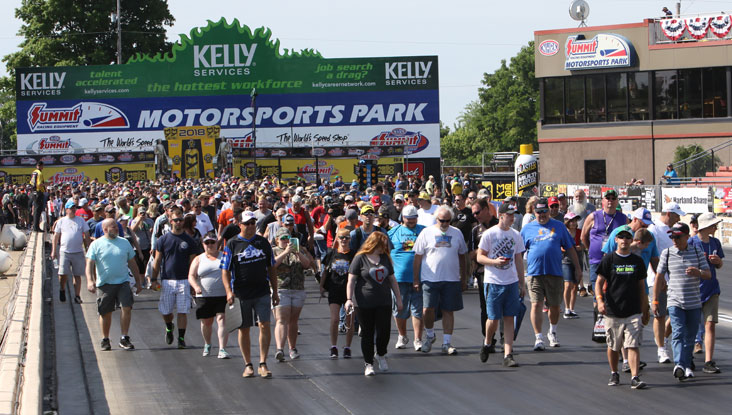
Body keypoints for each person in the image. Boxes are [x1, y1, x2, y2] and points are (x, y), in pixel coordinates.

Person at [220, 211, 279, 378]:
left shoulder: (263, 243)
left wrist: (274, 291)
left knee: (264, 324)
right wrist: (228, 292)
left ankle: (263, 363)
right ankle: (248, 364)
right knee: (244, 328)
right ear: (240, 225)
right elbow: (225, 271)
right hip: (241, 292)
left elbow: (271, 268)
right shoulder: (232, 244)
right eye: (247, 223)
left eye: (253, 223)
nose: (251, 226)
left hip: (262, 291)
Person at [521, 198, 582, 351]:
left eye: (544, 211)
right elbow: (518, 252)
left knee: (554, 306)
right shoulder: (527, 229)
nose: (542, 215)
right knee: (536, 304)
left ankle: (552, 332)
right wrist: (517, 273)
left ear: (549, 211)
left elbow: (570, 248)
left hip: (555, 272)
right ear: (534, 212)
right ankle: (538, 337)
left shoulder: (559, 226)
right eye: (538, 212)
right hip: (535, 273)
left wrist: (578, 268)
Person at [652, 222, 710, 381]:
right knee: (678, 332)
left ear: (686, 236)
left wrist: (698, 272)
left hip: (693, 302)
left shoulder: (697, 252)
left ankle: (685, 365)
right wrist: (655, 299)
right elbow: (659, 276)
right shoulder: (667, 253)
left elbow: (708, 274)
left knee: (690, 336)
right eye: (672, 237)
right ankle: (679, 364)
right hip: (675, 301)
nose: (674, 240)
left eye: (677, 237)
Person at [596, 225, 649, 389]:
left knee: (633, 345)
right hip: (613, 311)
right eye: (621, 237)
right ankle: (614, 373)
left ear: (632, 240)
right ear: (616, 240)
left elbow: (642, 286)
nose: (624, 240)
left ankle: (634, 376)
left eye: (628, 237)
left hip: (633, 310)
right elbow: (599, 283)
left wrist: (645, 308)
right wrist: (599, 301)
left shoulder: (637, 261)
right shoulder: (609, 260)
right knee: (613, 345)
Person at [476, 202, 526, 367]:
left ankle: (508, 354)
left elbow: (518, 259)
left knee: (509, 317)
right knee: (493, 319)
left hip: (510, 282)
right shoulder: (489, 234)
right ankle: (487, 342)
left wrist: (521, 282)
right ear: (501, 216)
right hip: (494, 281)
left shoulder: (516, 235)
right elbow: (479, 257)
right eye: (509, 215)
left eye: (514, 215)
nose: (512, 218)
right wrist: (494, 261)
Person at [413, 206, 468, 355]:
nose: (444, 224)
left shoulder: (457, 233)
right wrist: (416, 279)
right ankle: (430, 335)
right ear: (436, 219)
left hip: (451, 279)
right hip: (430, 278)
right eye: (441, 221)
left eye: (447, 221)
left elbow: (463, 256)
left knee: (448, 310)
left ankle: (447, 343)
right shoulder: (426, 233)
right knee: (427, 309)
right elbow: (417, 257)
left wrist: (464, 277)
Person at [345, 232, 402, 376]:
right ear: (375, 243)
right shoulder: (360, 258)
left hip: (383, 301)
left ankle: (381, 354)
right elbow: (351, 280)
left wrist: (399, 299)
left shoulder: (385, 258)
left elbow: (392, 280)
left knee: (384, 331)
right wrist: (349, 299)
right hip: (363, 302)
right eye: (383, 244)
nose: (385, 247)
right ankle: (368, 363)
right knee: (367, 333)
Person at [85, 218, 143, 351]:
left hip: (123, 282)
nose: (117, 229)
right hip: (105, 284)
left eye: (117, 227)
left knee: (126, 307)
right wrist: (90, 280)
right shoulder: (96, 244)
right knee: (105, 312)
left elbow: (132, 263)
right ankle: (105, 339)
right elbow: (89, 264)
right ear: (105, 229)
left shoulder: (124, 243)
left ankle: (124, 337)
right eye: (113, 227)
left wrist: (138, 282)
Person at [151, 206, 199, 349]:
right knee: (166, 311)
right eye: (176, 220)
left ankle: (181, 338)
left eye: (181, 220)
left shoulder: (189, 241)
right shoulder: (163, 240)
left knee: (183, 310)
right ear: (170, 221)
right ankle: (169, 327)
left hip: (184, 279)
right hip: (167, 280)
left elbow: (193, 263)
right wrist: (153, 279)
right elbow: (157, 260)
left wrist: (193, 282)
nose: (178, 222)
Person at [646, 202, 683, 364]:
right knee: (660, 315)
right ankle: (661, 349)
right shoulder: (653, 230)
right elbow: (651, 255)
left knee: (677, 312)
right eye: (676, 215)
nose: (679, 218)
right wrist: (659, 278)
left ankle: (664, 339)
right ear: (668, 213)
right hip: (657, 280)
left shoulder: (674, 230)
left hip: (675, 279)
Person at [688, 213, 724, 374]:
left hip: (711, 290)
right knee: (690, 326)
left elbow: (720, 265)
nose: (716, 227)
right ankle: (686, 356)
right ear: (705, 226)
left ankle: (708, 361)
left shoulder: (715, 242)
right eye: (713, 224)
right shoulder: (691, 242)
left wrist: (718, 262)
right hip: (694, 290)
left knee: (710, 324)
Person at [388, 205, 425, 351]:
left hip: (419, 277)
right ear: (402, 218)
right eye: (408, 219)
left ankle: (418, 339)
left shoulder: (423, 231)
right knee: (399, 309)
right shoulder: (393, 232)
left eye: (413, 218)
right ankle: (402, 335)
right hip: (399, 278)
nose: (411, 221)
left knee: (418, 310)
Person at [272, 227, 312, 362]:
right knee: (281, 319)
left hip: (297, 289)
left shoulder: (299, 250)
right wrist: (285, 252)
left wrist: (297, 252)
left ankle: (292, 348)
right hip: (280, 289)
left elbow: (307, 265)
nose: (285, 241)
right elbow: (272, 265)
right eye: (282, 239)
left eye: (287, 238)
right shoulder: (273, 251)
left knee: (293, 321)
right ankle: (279, 349)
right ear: (277, 240)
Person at [188, 232, 231, 359]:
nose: (210, 245)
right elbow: (191, 275)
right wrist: (196, 287)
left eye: (212, 242)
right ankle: (207, 344)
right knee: (207, 322)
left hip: (222, 295)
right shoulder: (199, 259)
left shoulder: (224, 256)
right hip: (204, 295)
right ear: (203, 244)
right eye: (207, 243)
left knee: (222, 319)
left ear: (217, 243)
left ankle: (222, 349)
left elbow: (231, 272)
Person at [581, 189, 627, 296]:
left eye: (613, 198)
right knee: (597, 293)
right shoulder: (594, 216)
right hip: (597, 260)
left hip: (615, 261)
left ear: (617, 201)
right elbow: (584, 236)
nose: (610, 201)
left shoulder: (623, 219)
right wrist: (591, 249)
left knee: (614, 291)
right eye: (608, 198)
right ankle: (598, 312)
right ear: (603, 200)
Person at [320, 228, 356, 358]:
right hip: (334, 289)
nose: (344, 240)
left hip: (349, 292)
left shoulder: (354, 255)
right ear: (337, 239)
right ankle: (333, 346)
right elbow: (325, 271)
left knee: (349, 321)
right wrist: (321, 286)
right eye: (341, 237)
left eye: (346, 237)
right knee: (335, 319)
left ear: (350, 239)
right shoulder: (331, 254)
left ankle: (347, 347)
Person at [52, 199, 91, 303]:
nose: (73, 210)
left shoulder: (81, 220)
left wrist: (89, 248)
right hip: (65, 252)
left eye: (74, 208)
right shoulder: (61, 221)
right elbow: (56, 236)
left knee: (77, 275)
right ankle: (62, 289)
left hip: (78, 252)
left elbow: (86, 235)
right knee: (63, 274)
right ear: (66, 209)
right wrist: (53, 251)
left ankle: (77, 295)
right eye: (71, 208)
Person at [562, 212, 582, 319]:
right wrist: (566, 248)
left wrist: (580, 247)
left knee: (575, 286)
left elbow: (584, 244)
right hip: (566, 260)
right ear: (567, 222)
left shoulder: (579, 232)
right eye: (571, 221)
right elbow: (560, 245)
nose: (574, 223)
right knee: (568, 285)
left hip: (578, 260)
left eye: (575, 221)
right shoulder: (564, 232)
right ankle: (566, 308)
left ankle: (572, 309)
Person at [29, 161, 47, 232]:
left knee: (36, 209)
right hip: (39, 192)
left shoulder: (34, 172)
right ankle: (36, 227)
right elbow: (39, 184)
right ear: (42, 166)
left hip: (34, 192)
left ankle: (35, 226)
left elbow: (31, 182)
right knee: (38, 210)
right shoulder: (39, 173)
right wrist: (46, 184)